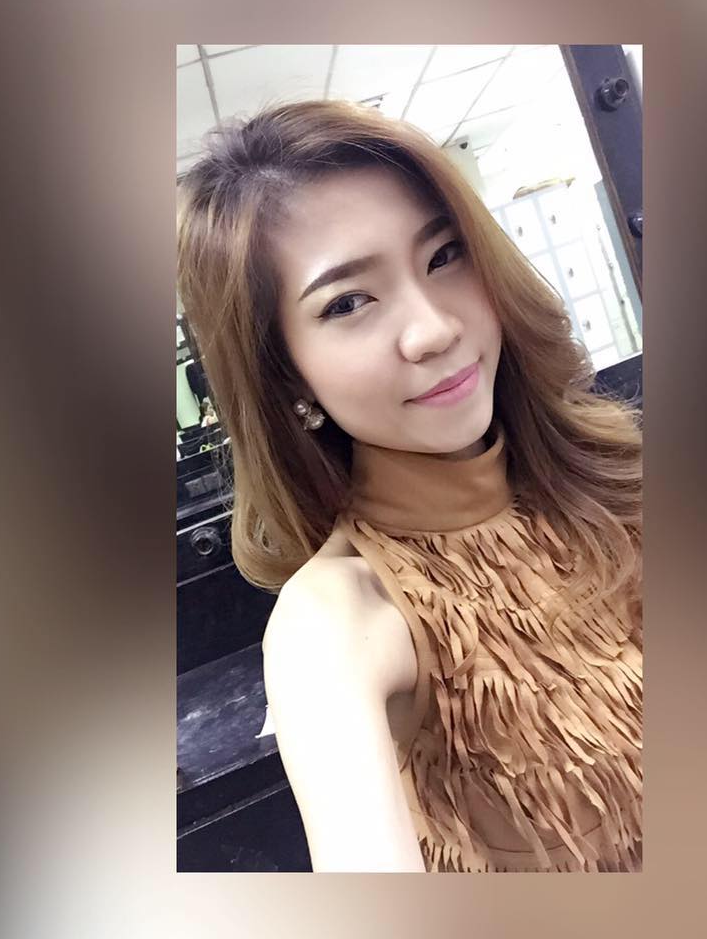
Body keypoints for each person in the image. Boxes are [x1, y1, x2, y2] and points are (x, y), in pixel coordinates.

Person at [176, 99, 642, 873]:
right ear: (287, 376)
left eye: (444, 255)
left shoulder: (612, 475)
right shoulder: (339, 617)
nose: (434, 329)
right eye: (348, 303)